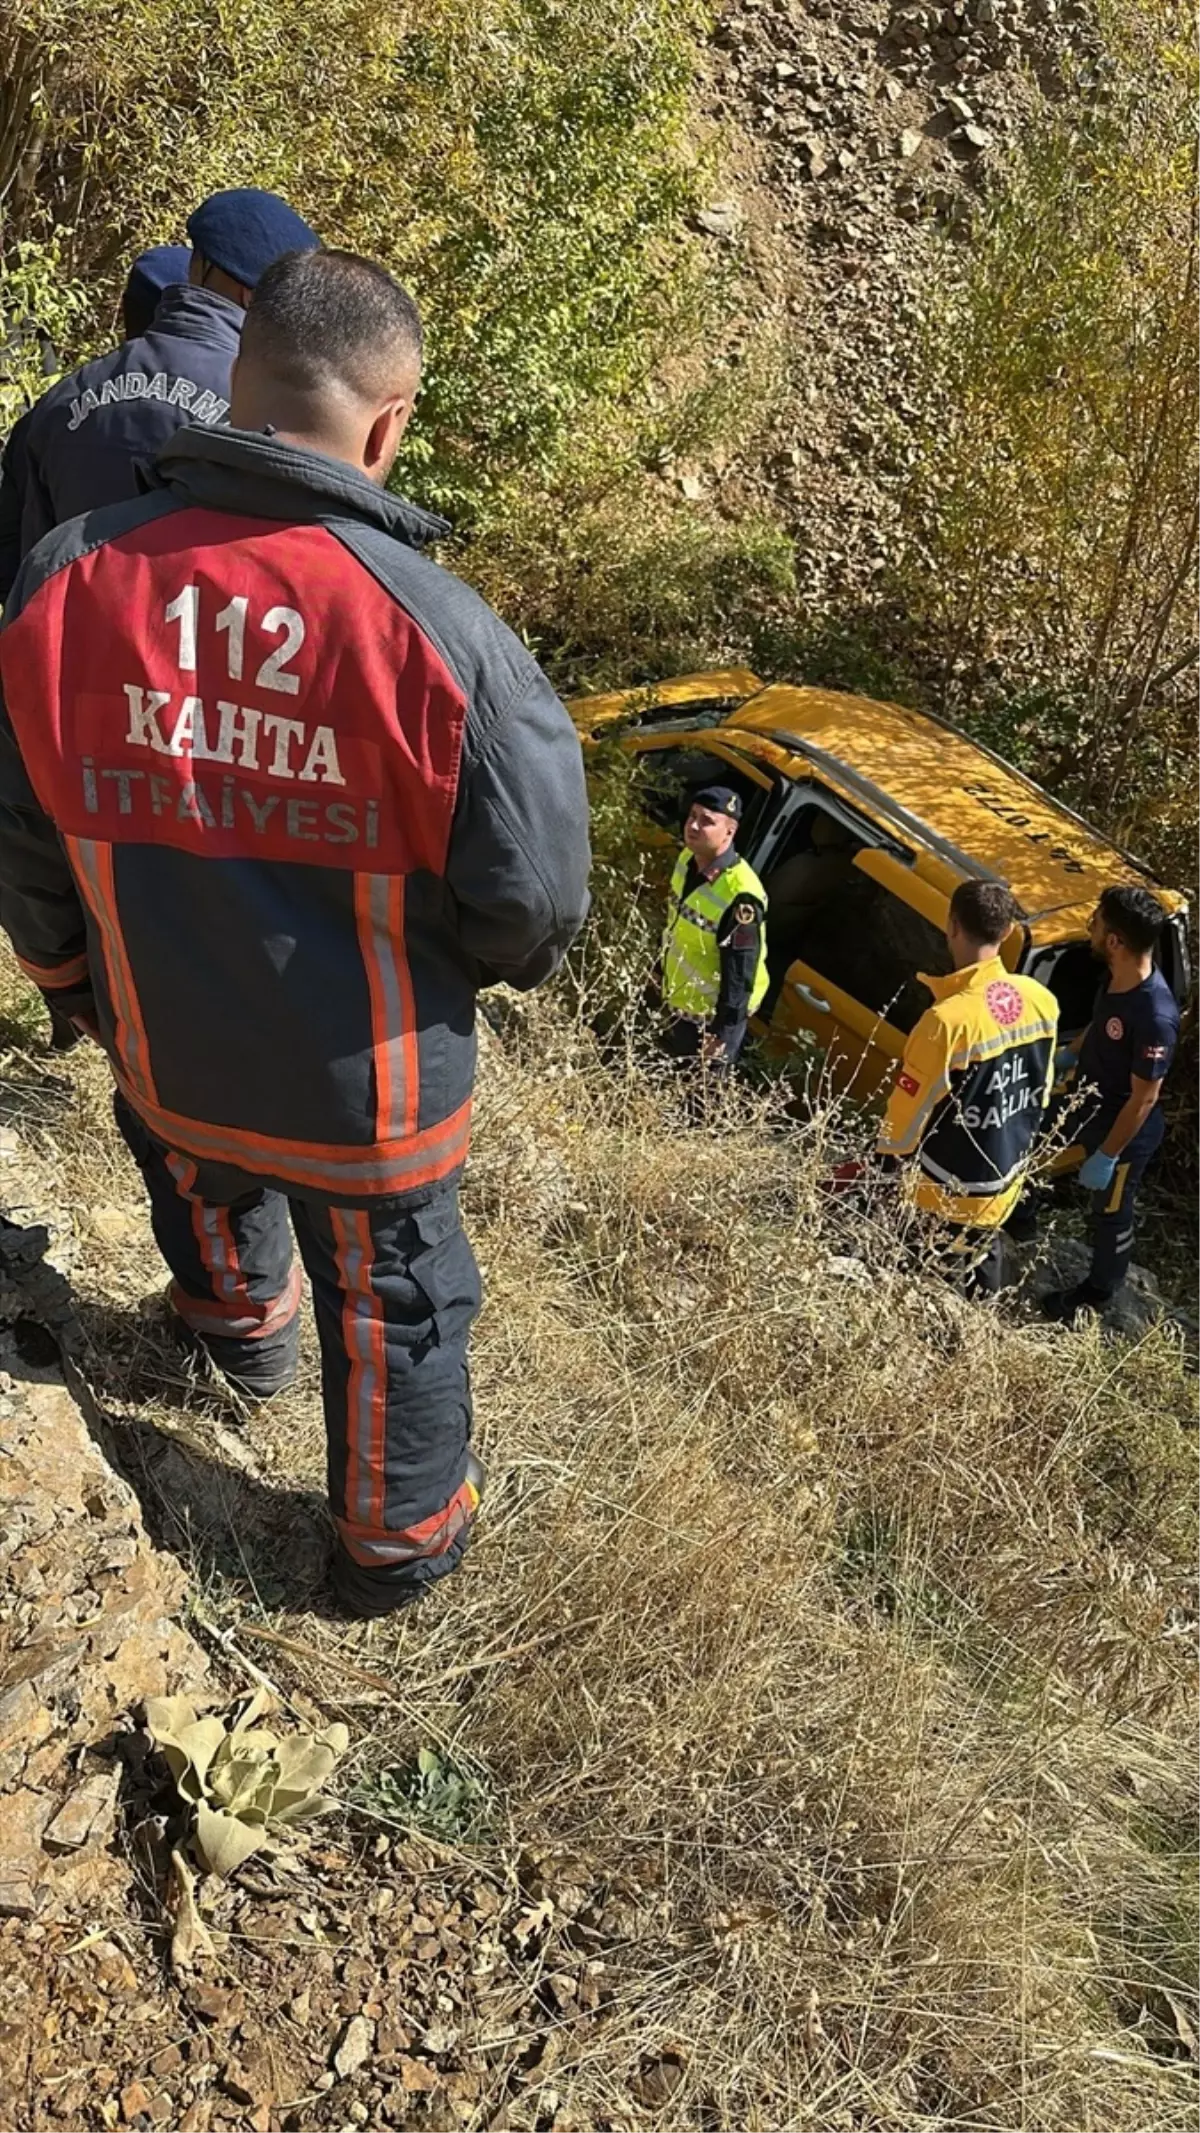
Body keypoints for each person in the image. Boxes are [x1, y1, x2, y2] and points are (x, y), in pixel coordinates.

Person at [0, 247, 591, 1619]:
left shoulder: (60, 584)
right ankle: (396, 1549)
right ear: (386, 426)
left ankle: (237, 1340)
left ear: (240, 378)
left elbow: (23, 835)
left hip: (163, 1043)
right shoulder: (444, 638)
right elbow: (535, 906)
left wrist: (68, 980)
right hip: (368, 1089)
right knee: (399, 1302)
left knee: (195, 1179)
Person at [0, 189, 319, 603]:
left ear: (198, 267)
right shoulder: (270, 415)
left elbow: (12, 555)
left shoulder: (66, 396)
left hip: (63, 655)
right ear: (251, 297)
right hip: (196, 661)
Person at [874, 878, 1059, 1294]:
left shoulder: (947, 1022)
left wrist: (881, 1171)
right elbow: (1039, 1090)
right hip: (1001, 1186)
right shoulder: (1040, 999)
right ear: (1009, 931)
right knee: (978, 1287)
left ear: (952, 925)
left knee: (921, 1295)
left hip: (941, 1196)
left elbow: (906, 1120)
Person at [1040, 885, 1179, 1324]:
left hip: (1122, 1130)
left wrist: (1107, 1155)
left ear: (1115, 941)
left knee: (1110, 1213)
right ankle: (1019, 1217)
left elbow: (1144, 1098)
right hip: (1085, 1102)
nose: (1092, 929)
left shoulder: (1155, 1015)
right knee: (1029, 1137)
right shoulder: (1116, 977)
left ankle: (1098, 1292)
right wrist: (1070, 1055)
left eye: (1097, 923)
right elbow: (1101, 1025)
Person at [659, 785, 768, 1071]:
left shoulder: (740, 895)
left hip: (710, 1019)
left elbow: (739, 974)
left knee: (698, 1102)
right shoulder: (687, 858)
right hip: (681, 1001)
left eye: (707, 821)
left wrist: (721, 1035)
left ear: (729, 832)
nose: (693, 826)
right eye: (692, 816)